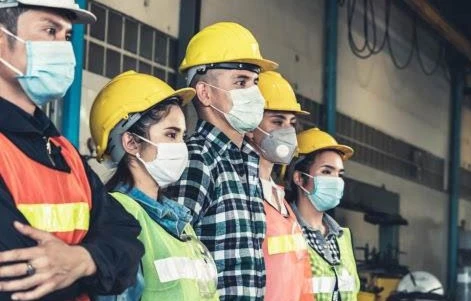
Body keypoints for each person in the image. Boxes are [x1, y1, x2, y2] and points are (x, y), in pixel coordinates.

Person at [0, 2, 143, 301]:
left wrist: (81, 261)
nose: (64, 49)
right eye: (50, 30)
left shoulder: (62, 150)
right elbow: (17, 280)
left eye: (66, 36)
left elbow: (128, 239)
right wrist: (97, 264)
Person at [166, 22, 277, 300]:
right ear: (204, 93)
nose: (255, 94)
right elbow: (176, 258)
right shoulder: (196, 160)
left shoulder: (248, 162)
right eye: (240, 82)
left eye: (255, 83)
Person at [89, 71, 219, 301]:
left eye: (182, 136)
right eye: (171, 135)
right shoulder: (120, 216)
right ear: (130, 142)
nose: (181, 147)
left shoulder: (179, 222)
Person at [246, 71, 313, 301]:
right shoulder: (242, 196)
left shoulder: (281, 200)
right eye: (277, 121)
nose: (286, 131)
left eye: (291, 123)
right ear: (250, 124)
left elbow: (302, 280)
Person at [286, 128, 360, 301]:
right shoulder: (284, 232)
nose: (336, 180)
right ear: (299, 178)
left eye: (339, 174)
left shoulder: (342, 237)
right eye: (326, 171)